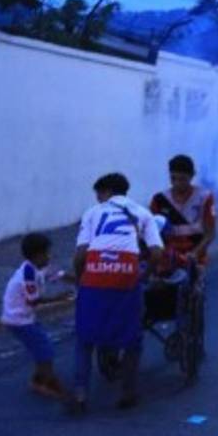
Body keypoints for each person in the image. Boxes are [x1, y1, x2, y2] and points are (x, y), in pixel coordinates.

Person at [70, 172, 162, 414]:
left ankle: (80, 394)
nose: (98, 199)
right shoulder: (142, 213)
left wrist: (81, 281)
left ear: (106, 191)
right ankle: (128, 392)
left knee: (84, 337)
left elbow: (80, 256)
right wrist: (144, 276)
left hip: (95, 275)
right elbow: (156, 253)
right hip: (126, 276)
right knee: (132, 338)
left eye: (98, 194)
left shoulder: (92, 212)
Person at [1, 232, 71, 399]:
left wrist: (81, 281)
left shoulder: (38, 267)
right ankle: (48, 382)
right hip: (18, 320)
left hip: (24, 317)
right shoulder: (28, 274)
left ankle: (39, 378)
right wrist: (59, 298)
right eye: (46, 253)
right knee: (45, 349)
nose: (49, 256)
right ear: (37, 256)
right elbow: (33, 301)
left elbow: (58, 275)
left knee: (41, 346)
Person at [150, 154, 218, 274]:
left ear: (192, 176)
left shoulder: (204, 197)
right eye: (173, 179)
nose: (177, 183)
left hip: (195, 256)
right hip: (168, 257)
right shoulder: (159, 199)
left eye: (182, 179)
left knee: (194, 280)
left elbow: (210, 233)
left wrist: (194, 254)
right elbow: (151, 233)